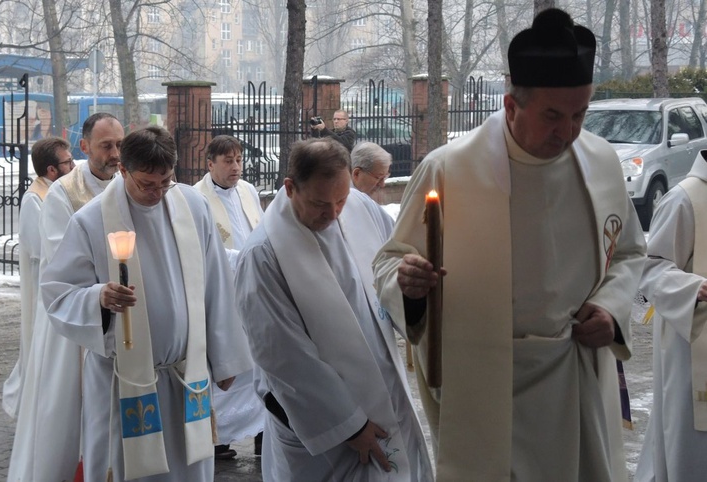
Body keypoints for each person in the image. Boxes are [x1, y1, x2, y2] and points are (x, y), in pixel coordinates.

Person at [372, 8, 646, 481]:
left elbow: (627, 253)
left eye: (580, 114)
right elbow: (390, 261)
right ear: (511, 106)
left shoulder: (599, 162)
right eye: (553, 116)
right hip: (482, 380)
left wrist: (611, 310)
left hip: (574, 372)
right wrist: (408, 284)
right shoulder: (449, 168)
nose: (569, 133)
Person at [41, 125, 253, 481]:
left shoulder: (193, 206)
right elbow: (58, 293)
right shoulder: (91, 221)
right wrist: (98, 298)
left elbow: (215, 283)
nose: (157, 193)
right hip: (123, 381)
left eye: (165, 182)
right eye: (146, 184)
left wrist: (226, 357)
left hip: (186, 377)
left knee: (189, 469)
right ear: (123, 170)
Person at [234, 138, 433, 481]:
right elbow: (283, 356)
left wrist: (410, 292)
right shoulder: (264, 255)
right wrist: (350, 426)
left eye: (341, 199)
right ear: (291, 187)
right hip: (321, 427)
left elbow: (386, 277)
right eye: (320, 203)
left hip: (386, 391)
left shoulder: (361, 208)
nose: (334, 213)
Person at [7, 113, 125, 482]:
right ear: (85, 147)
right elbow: (59, 260)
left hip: (120, 313)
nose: (115, 153)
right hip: (72, 317)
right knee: (62, 411)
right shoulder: (62, 193)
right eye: (106, 146)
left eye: (120, 144)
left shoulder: (127, 185)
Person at [633, 150, 707, 482]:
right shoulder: (685, 199)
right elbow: (650, 266)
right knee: (688, 442)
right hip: (693, 342)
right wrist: (696, 288)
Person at [193, 135, 265, 459]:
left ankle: (264, 431)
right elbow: (201, 249)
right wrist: (241, 258)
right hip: (222, 291)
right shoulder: (197, 198)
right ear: (210, 164)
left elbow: (259, 231)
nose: (236, 167)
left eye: (238, 160)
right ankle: (219, 436)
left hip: (252, 289)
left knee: (257, 365)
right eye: (227, 161)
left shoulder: (248, 191)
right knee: (228, 363)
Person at [2, 136, 74, 418]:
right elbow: (38, 247)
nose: (73, 166)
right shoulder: (35, 198)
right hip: (43, 282)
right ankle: (29, 403)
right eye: (67, 162)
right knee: (38, 346)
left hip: (58, 279)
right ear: (51, 170)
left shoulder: (58, 192)